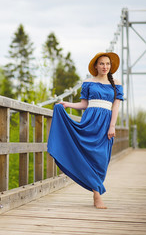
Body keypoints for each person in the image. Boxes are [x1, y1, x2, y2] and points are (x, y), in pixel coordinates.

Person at [47, 52, 123, 209]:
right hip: (89, 121)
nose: (105, 67)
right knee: (87, 155)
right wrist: (68, 105)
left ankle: (96, 190)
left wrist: (112, 125)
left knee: (101, 158)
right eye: (101, 63)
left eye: (107, 64)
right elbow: (84, 104)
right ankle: (97, 195)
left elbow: (116, 105)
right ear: (95, 66)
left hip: (105, 124)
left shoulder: (116, 83)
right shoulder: (88, 82)